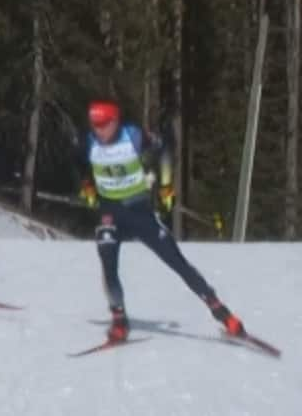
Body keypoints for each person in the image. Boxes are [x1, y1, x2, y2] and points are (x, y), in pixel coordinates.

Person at [79, 99, 245, 342]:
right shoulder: (88, 141)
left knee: (177, 262)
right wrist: (88, 188)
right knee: (108, 263)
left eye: (104, 124)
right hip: (110, 212)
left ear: (115, 121)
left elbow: (164, 151)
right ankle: (119, 319)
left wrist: (166, 187)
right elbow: (81, 164)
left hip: (139, 212)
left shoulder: (133, 136)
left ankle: (221, 311)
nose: (98, 129)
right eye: (95, 124)